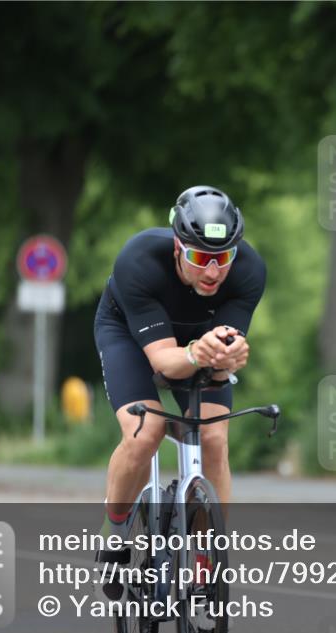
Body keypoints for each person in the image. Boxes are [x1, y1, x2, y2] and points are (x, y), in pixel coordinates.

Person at [92, 186, 266, 593]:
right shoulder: (139, 261)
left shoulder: (249, 271)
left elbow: (218, 370)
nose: (213, 272)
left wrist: (226, 363)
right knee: (146, 431)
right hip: (131, 338)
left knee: (214, 438)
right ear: (177, 247)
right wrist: (198, 354)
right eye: (201, 257)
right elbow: (164, 363)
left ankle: (209, 558)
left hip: (195, 343)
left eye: (223, 258)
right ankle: (113, 537)